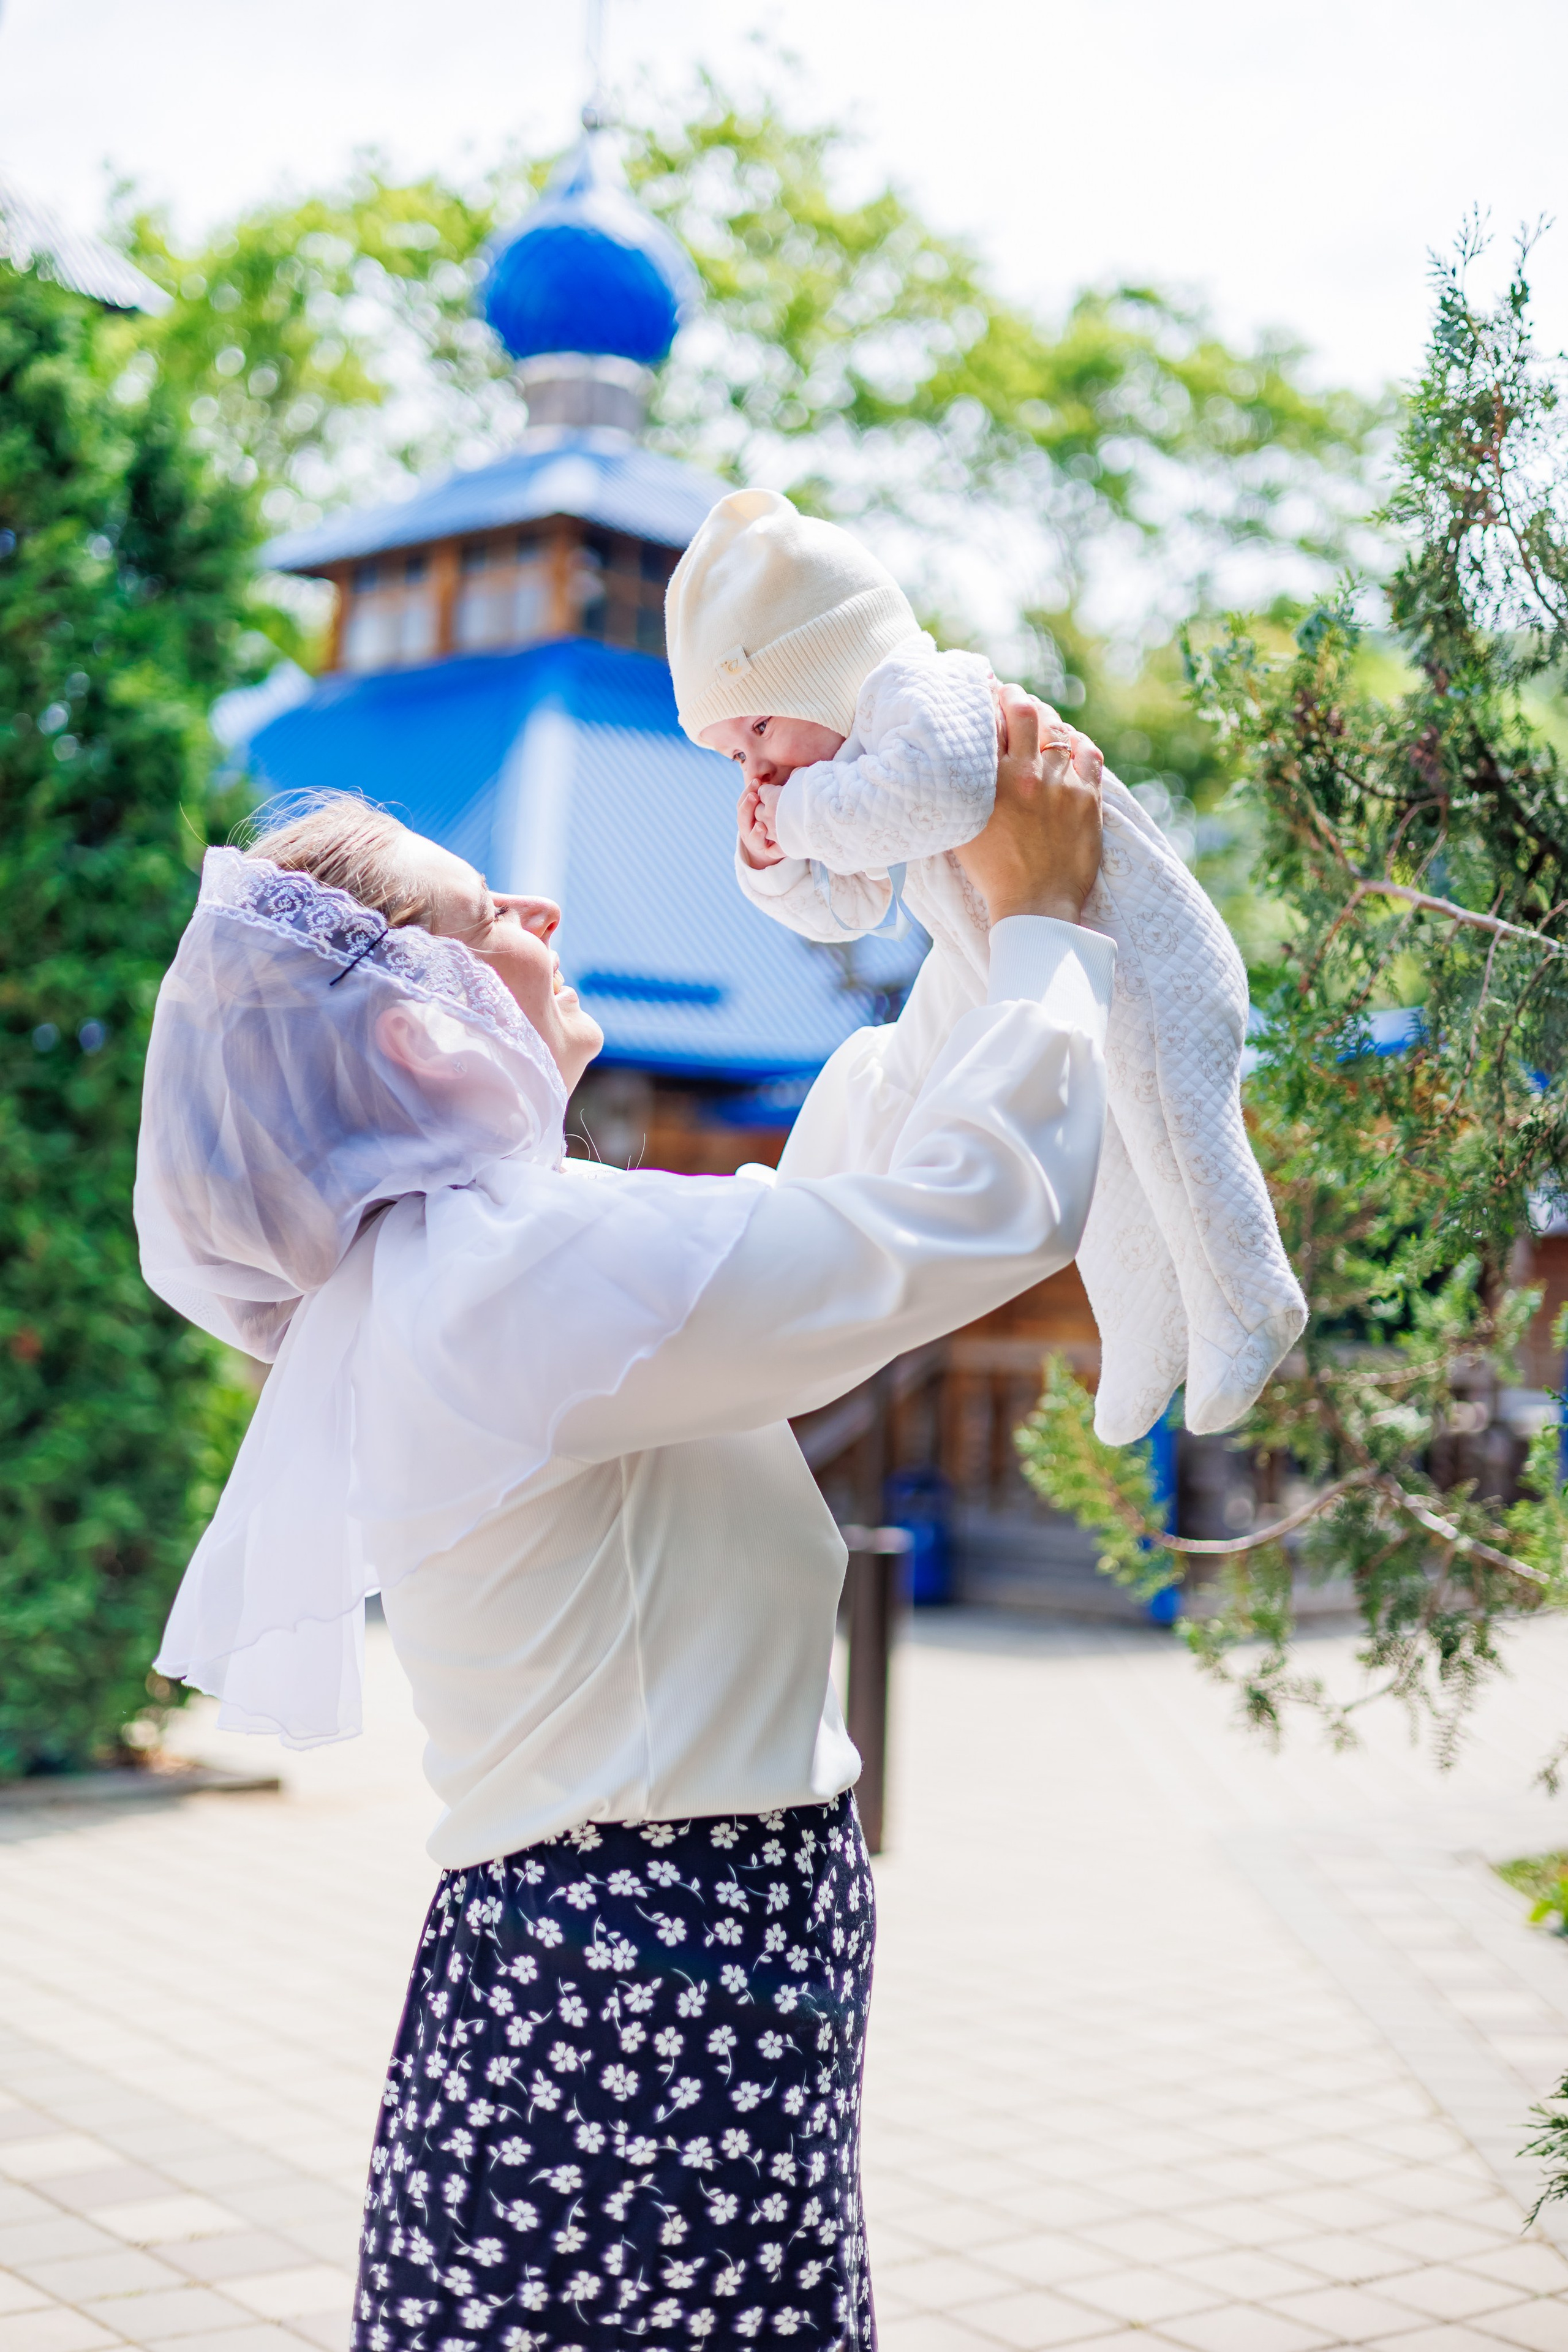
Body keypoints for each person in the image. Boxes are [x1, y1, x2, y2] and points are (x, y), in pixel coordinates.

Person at [137, 697, 1108, 2352]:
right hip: (651, 1977)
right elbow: (959, 1219)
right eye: (483, 912)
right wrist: (1041, 919)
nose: (546, 915)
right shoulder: (500, 1276)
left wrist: (959, 864)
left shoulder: (482, 1258)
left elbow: (837, 1195)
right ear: (411, 1030)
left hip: (622, 1966)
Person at [665, 488, 1306, 1449]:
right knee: (1099, 1174)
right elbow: (852, 905)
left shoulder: (927, 696)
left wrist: (798, 815)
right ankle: (1143, 1330)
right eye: (730, 759)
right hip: (1060, 964)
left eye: (757, 732)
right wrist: (773, 857)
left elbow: (938, 796)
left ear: (820, 666)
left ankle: (1251, 1298)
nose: (754, 771)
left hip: (1152, 960)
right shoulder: (859, 768)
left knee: (1176, 1141)